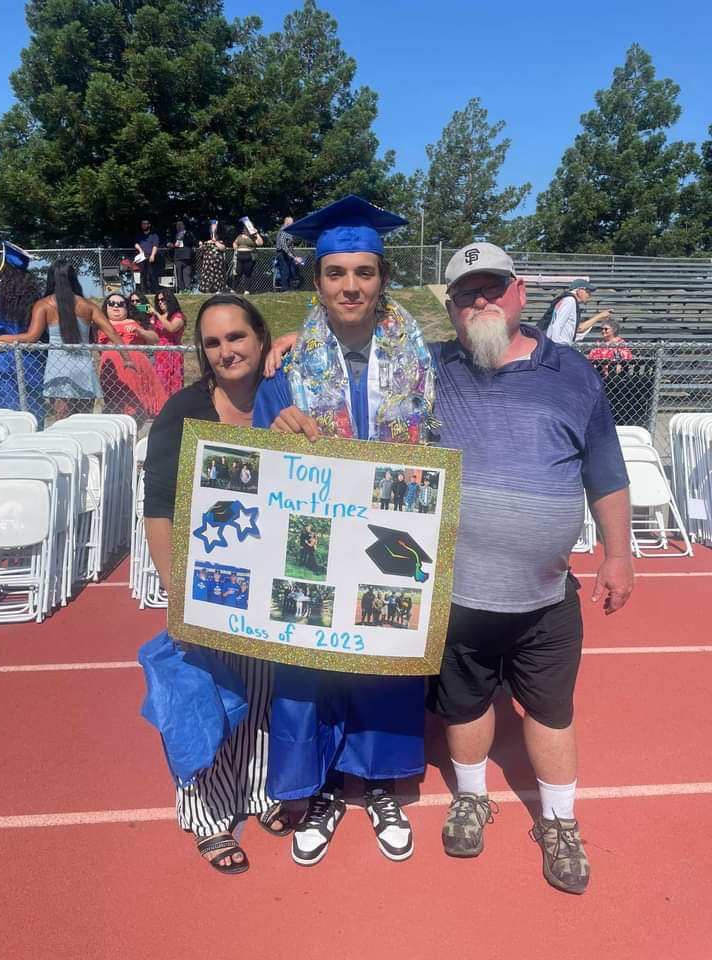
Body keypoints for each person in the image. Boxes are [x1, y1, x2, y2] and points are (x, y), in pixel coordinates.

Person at [426, 242, 633, 895]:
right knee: (464, 705)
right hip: (456, 593)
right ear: (451, 307)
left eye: (492, 288)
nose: (480, 301)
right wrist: (290, 343)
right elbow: (358, 366)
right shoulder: (428, 369)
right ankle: (470, 797)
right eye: (466, 293)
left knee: (550, 710)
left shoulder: (572, 372)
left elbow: (605, 470)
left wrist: (619, 554)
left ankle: (560, 821)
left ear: (519, 293)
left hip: (545, 596)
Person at [253, 195, 436, 867]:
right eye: (336, 273)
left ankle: (380, 781)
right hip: (314, 536)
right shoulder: (288, 367)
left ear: (383, 278)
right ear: (318, 281)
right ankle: (322, 785)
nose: (351, 286)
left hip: (392, 528)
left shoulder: (421, 360)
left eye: (364, 272)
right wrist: (278, 430)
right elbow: (263, 461)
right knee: (310, 657)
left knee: (384, 649)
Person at [143, 293, 292, 874]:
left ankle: (256, 791)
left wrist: (298, 340)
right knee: (205, 694)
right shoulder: (185, 411)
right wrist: (175, 590)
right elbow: (159, 508)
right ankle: (207, 815)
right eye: (213, 342)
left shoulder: (284, 397)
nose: (226, 350)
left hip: (267, 579)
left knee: (260, 689)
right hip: (204, 579)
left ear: (260, 338)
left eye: (237, 337)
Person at [0, 259, 126, 421]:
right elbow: (112, 332)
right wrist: (127, 358)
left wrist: (2, 338)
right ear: (73, 278)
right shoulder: (88, 305)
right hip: (84, 368)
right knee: (85, 421)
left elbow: (31, 338)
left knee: (62, 421)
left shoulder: (43, 305)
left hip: (58, 370)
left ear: (51, 278)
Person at [0, 241, 46, 423]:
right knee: (30, 413)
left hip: (0, 357)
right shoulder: (34, 296)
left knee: (2, 416)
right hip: (30, 358)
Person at [97, 294, 167, 421]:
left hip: (135, 368)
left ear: (126, 308)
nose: (116, 307)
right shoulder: (101, 323)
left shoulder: (132, 322)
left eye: (120, 304)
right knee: (115, 405)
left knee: (136, 406)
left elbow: (155, 339)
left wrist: (139, 331)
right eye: (111, 303)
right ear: (106, 307)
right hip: (112, 370)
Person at [541, 280, 612, 346]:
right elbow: (558, 324)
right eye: (588, 291)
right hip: (559, 344)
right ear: (579, 290)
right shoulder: (570, 301)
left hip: (558, 344)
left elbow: (578, 329)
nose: (590, 295)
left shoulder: (566, 300)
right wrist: (556, 346)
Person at [152, 290, 186, 396]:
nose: (160, 302)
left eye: (163, 299)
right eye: (158, 300)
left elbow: (171, 328)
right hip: (159, 353)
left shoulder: (178, 316)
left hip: (172, 353)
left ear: (169, 300)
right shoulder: (157, 317)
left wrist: (157, 314)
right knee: (160, 382)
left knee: (173, 382)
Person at [232, 219, 263, 294]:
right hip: (239, 256)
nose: (246, 228)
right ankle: (233, 289)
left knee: (248, 273)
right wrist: (235, 247)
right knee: (238, 272)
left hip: (249, 256)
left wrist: (256, 233)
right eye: (245, 227)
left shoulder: (253, 236)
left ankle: (247, 290)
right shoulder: (239, 236)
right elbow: (235, 243)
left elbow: (260, 243)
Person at [134, 219, 163, 294]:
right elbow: (136, 244)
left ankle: (155, 291)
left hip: (151, 256)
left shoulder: (154, 235)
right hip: (142, 257)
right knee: (143, 275)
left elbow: (155, 246)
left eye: (145, 224)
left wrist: (153, 255)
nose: (144, 225)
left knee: (152, 274)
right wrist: (140, 251)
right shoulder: (139, 235)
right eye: (142, 224)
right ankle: (144, 292)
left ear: (149, 225)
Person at [198, 220, 228, 293]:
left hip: (217, 263)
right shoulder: (207, 242)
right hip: (207, 263)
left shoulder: (220, 241)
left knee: (217, 276)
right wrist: (201, 245)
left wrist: (215, 242)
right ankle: (206, 289)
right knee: (207, 276)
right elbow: (202, 250)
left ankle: (217, 289)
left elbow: (223, 248)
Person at [275, 216, 304, 291]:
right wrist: (293, 257)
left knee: (291, 270)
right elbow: (284, 246)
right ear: (287, 222)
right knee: (285, 270)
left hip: (287, 253)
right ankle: (285, 289)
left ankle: (290, 288)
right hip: (282, 253)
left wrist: (294, 256)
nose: (293, 224)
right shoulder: (284, 231)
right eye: (291, 222)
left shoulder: (287, 231)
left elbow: (290, 245)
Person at [168, 220, 196, 292]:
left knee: (187, 273)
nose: (178, 226)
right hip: (178, 256)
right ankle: (181, 289)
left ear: (184, 226)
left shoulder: (188, 234)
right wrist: (172, 245)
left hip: (187, 256)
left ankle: (188, 289)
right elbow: (169, 243)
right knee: (179, 274)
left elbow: (193, 242)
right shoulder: (174, 235)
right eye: (177, 225)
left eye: (180, 225)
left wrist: (183, 239)